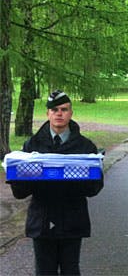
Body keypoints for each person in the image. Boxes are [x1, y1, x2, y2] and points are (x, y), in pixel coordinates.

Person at [8, 90, 104, 275]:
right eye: (54, 110)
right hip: (42, 221)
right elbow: (20, 192)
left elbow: (94, 188)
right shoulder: (32, 146)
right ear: (48, 114)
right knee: (44, 272)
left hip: (72, 220)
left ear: (71, 113)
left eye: (64, 109)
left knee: (70, 270)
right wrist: (20, 176)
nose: (59, 114)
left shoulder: (85, 147)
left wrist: (78, 175)